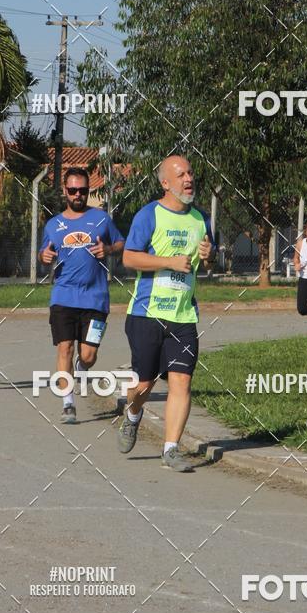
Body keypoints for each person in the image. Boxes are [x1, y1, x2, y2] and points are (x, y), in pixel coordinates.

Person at [118, 155, 216, 472]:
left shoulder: (201, 219)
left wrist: (210, 257)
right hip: (146, 314)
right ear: (165, 183)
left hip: (183, 316)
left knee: (181, 382)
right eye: (181, 174)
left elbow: (209, 263)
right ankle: (133, 414)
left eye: (190, 173)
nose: (189, 179)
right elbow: (129, 258)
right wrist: (168, 262)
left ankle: (170, 449)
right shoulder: (149, 215)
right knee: (143, 385)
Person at [39, 167, 124, 424]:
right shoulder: (53, 225)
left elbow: (121, 243)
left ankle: (82, 367)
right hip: (63, 296)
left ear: (88, 191)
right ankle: (68, 404)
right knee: (64, 347)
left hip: (96, 298)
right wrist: (44, 256)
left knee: (88, 355)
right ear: (65, 191)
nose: (78, 195)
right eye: (73, 190)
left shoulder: (101, 219)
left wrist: (108, 249)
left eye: (83, 190)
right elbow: (43, 253)